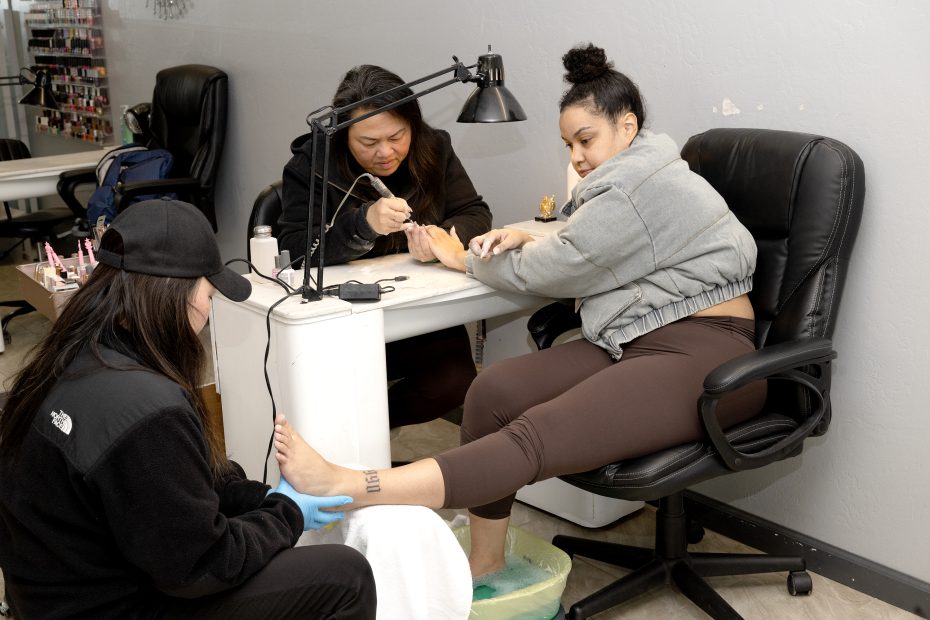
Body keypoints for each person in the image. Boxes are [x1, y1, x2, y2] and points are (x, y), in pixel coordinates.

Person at [271, 43, 767, 581]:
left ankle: (352, 487)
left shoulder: (635, 187)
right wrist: (525, 234)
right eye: (569, 144)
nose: (575, 158)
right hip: (638, 336)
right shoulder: (634, 175)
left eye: (585, 140)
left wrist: (463, 257)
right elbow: (591, 243)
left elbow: (557, 267)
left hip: (707, 352)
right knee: (492, 393)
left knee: (533, 434)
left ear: (627, 127)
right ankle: (484, 564)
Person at [0, 199, 376, 619]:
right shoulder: (147, 410)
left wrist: (261, 498)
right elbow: (204, 566)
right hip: (111, 607)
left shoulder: (71, 356)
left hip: (54, 595)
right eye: (209, 295)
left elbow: (176, 487)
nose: (207, 313)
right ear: (173, 293)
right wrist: (285, 515)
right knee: (344, 575)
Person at [278, 64, 492, 429]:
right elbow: (296, 249)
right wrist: (362, 225)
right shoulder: (311, 166)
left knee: (454, 384)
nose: (385, 152)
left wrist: (438, 240)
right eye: (368, 142)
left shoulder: (434, 148)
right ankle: (346, 440)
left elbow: (474, 212)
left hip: (418, 312)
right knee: (332, 392)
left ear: (412, 124)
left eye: (396, 136)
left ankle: (360, 431)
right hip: (342, 320)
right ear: (344, 134)